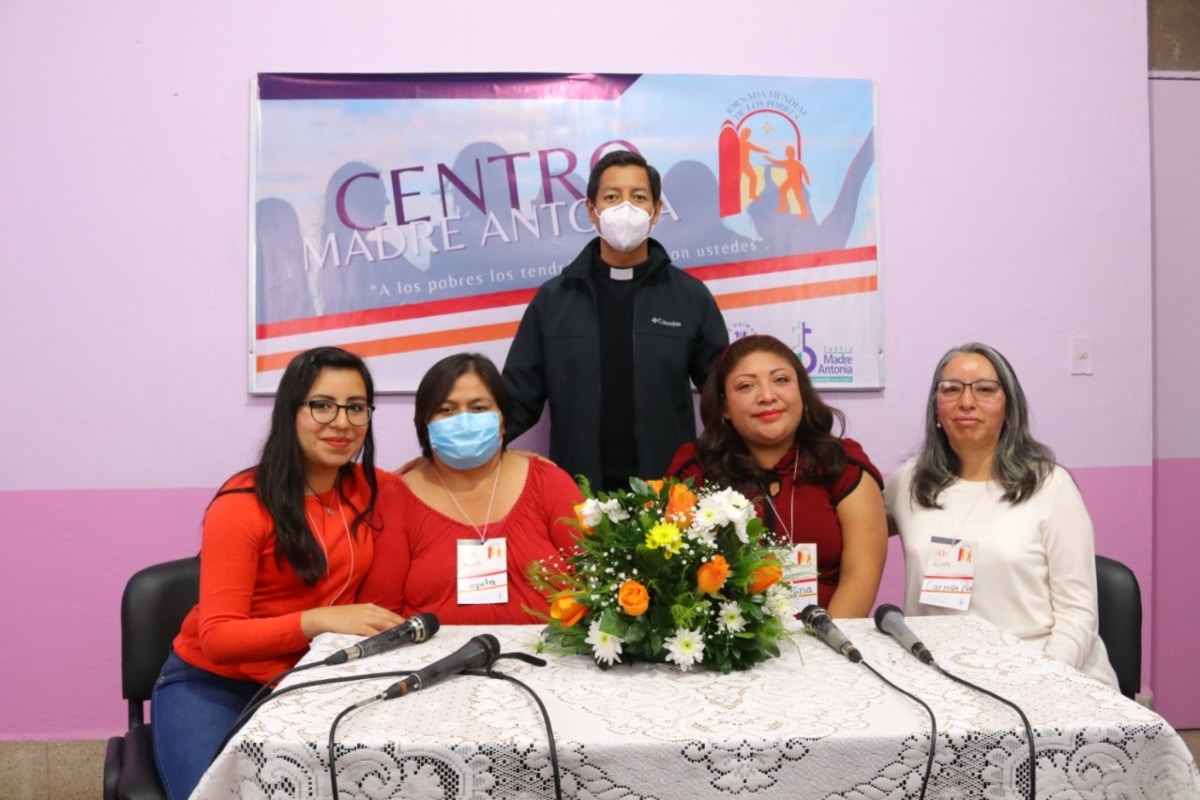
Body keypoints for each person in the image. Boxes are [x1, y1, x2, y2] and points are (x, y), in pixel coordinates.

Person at [151, 347, 404, 800]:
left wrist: (518, 463)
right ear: (291, 411)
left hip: (309, 680)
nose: (342, 422)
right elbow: (218, 637)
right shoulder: (242, 504)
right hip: (214, 681)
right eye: (322, 405)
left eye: (356, 407)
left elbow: (436, 482)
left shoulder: (373, 486)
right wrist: (319, 620)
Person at [884, 342, 1120, 690]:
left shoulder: (1051, 486)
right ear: (936, 407)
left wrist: (1038, 680)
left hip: (1046, 672)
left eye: (985, 390)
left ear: (1009, 407)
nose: (966, 402)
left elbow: (1078, 615)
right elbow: (850, 531)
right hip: (944, 678)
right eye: (951, 389)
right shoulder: (909, 481)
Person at [502, 149, 729, 492]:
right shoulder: (554, 300)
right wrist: (464, 450)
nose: (626, 208)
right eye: (612, 197)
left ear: (656, 211)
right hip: (577, 493)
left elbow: (724, 395)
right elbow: (516, 399)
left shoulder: (690, 297)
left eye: (639, 197)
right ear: (592, 211)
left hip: (667, 492)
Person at [667, 334, 888, 617]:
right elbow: (677, 578)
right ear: (724, 407)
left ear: (801, 393)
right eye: (746, 386)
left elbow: (862, 573)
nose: (767, 396)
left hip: (829, 643)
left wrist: (825, 650)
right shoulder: (695, 471)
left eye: (781, 380)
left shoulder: (842, 465)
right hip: (729, 647)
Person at [359, 353, 583, 624]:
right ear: (425, 424)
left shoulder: (549, 482)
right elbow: (380, 612)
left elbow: (595, 583)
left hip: (549, 659)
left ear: (502, 419)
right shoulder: (397, 497)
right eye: (446, 409)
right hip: (436, 660)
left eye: (478, 408)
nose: (463, 420)